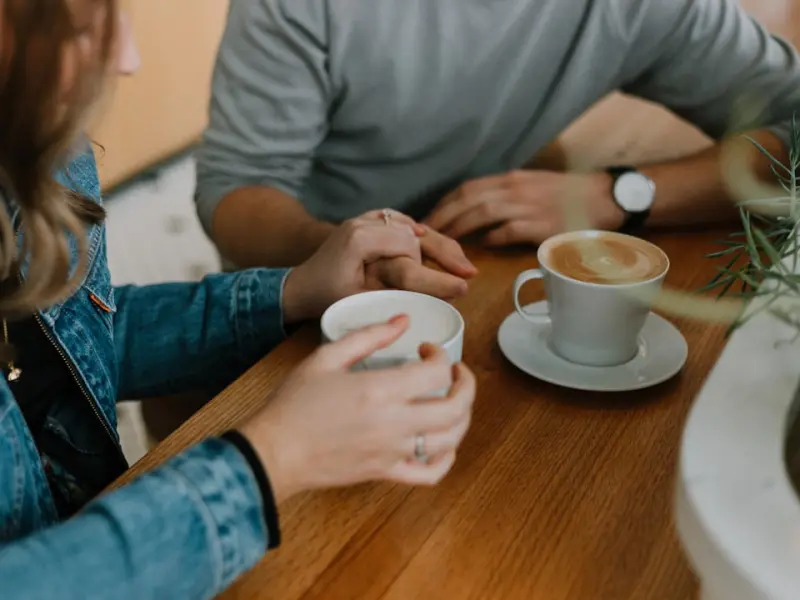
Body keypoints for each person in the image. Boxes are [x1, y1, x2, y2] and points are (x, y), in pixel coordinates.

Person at [0, 2, 476, 599]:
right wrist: (270, 461)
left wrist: (293, 290)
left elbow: (69, 341)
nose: (127, 59)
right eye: (79, 25)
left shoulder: (32, 148)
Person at [196, 0, 800, 284]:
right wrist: (343, 249)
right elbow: (237, 191)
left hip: (487, 259)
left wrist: (621, 194)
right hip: (296, 276)